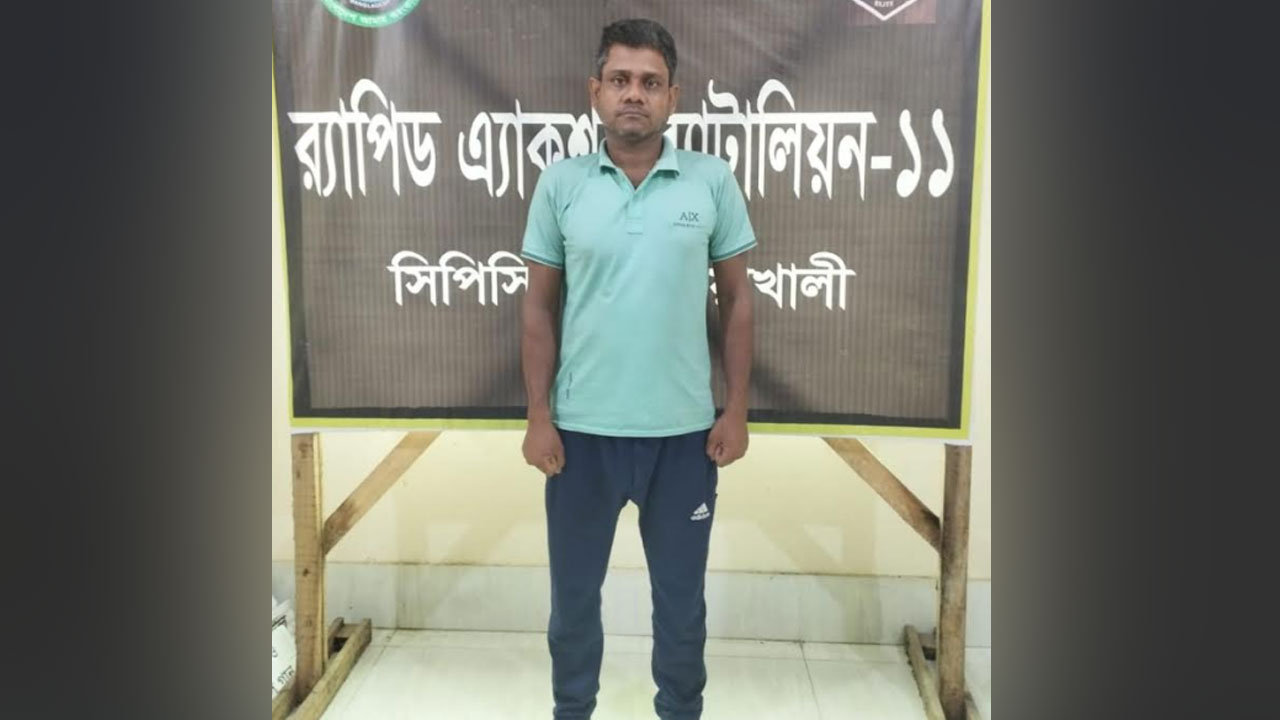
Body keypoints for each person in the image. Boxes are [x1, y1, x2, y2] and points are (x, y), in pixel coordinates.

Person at [519, 17, 756, 720]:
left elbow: (738, 300)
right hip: (580, 436)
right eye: (620, 80)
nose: (634, 94)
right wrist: (538, 417)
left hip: (684, 438)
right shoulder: (560, 184)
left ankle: (680, 710)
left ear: (672, 98)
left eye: (650, 83)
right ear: (594, 91)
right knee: (572, 603)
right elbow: (537, 308)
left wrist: (736, 409)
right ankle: (572, 710)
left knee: (681, 604)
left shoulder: (711, 181)